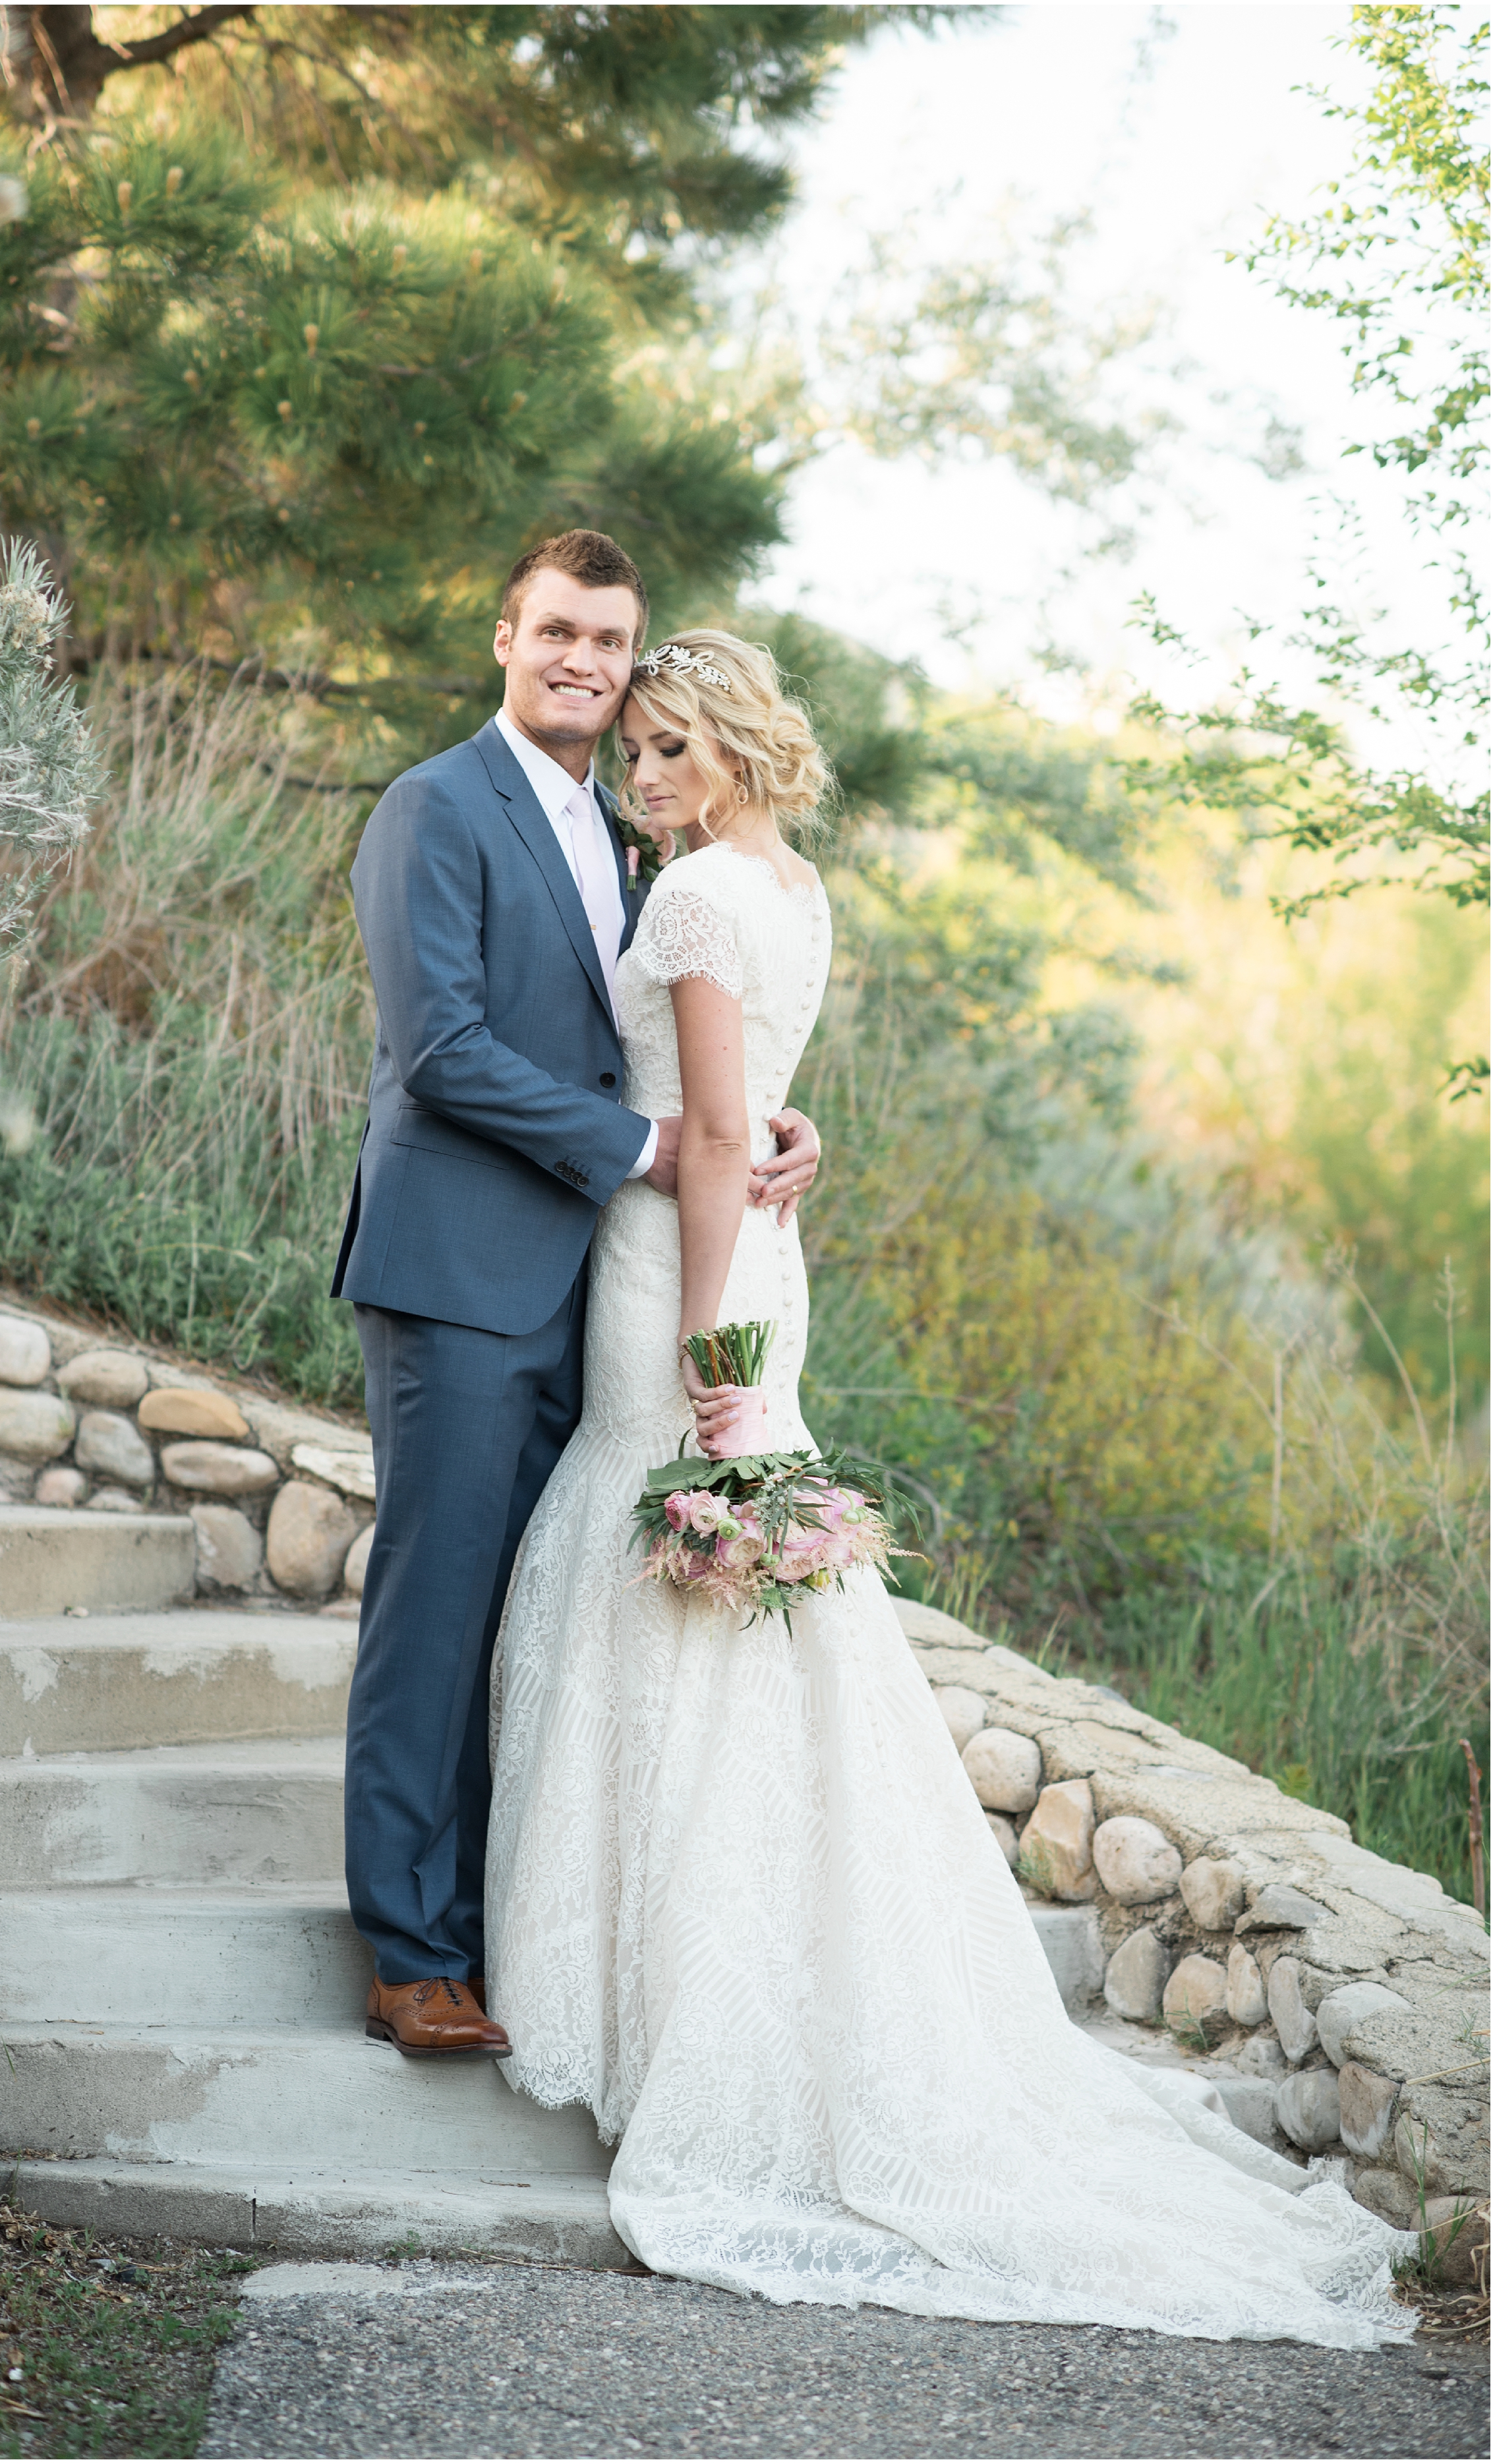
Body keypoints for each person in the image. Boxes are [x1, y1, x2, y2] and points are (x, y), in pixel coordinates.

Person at [483, 629, 1413, 2346]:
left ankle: (688, 2016)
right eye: (640, 753)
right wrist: (761, 1231)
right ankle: (685, 1981)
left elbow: (703, 1135)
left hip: (687, 1275)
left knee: (672, 1568)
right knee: (741, 1610)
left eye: (677, 748)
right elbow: (764, 1112)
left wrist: (707, 1357)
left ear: (739, 745)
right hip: (764, 1253)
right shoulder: (796, 889)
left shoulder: (691, 902)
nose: (648, 779)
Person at [332, 534, 823, 2058]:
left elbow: (672, 1040)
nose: (583, 662)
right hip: (465, 1273)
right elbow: (444, 1049)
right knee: (439, 1603)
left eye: (609, 643)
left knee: (535, 1619)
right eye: (558, 632)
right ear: (506, 637)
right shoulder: (435, 806)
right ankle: (411, 1951)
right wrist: (650, 1144)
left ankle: (496, 1918)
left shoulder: (634, 842)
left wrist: (772, 1130)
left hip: (595, 1280)